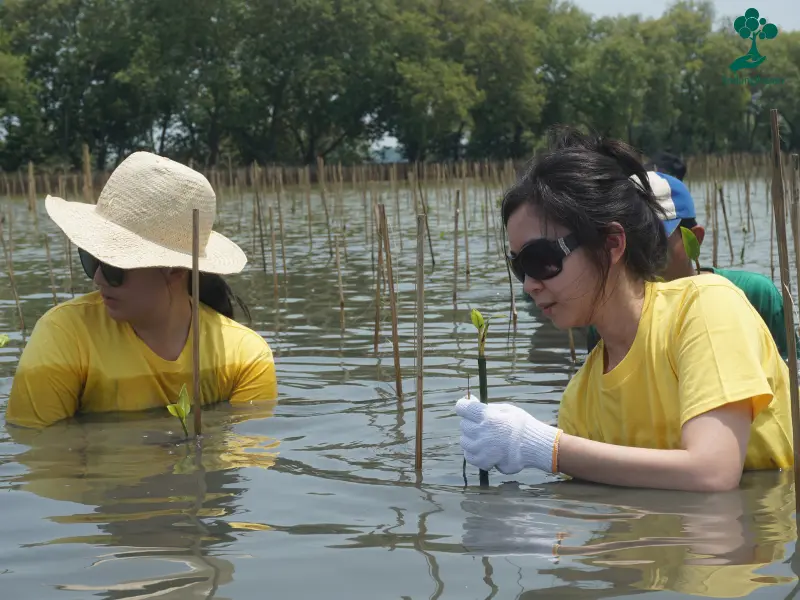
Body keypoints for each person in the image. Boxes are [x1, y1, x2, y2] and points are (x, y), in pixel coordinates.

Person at [455, 128, 793, 492]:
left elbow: (712, 471)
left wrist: (544, 447)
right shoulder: (580, 397)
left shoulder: (705, 308)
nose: (529, 285)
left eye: (541, 260)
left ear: (612, 244)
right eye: (520, 267)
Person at [6, 151, 277, 428]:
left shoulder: (246, 357)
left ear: (175, 269)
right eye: (91, 260)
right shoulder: (63, 336)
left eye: (112, 267)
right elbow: (41, 456)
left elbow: (246, 458)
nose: (97, 278)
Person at [584, 171, 799, 361]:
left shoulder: (755, 295)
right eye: (632, 245)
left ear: (695, 238)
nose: (642, 257)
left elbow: (790, 377)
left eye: (655, 242)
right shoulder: (607, 321)